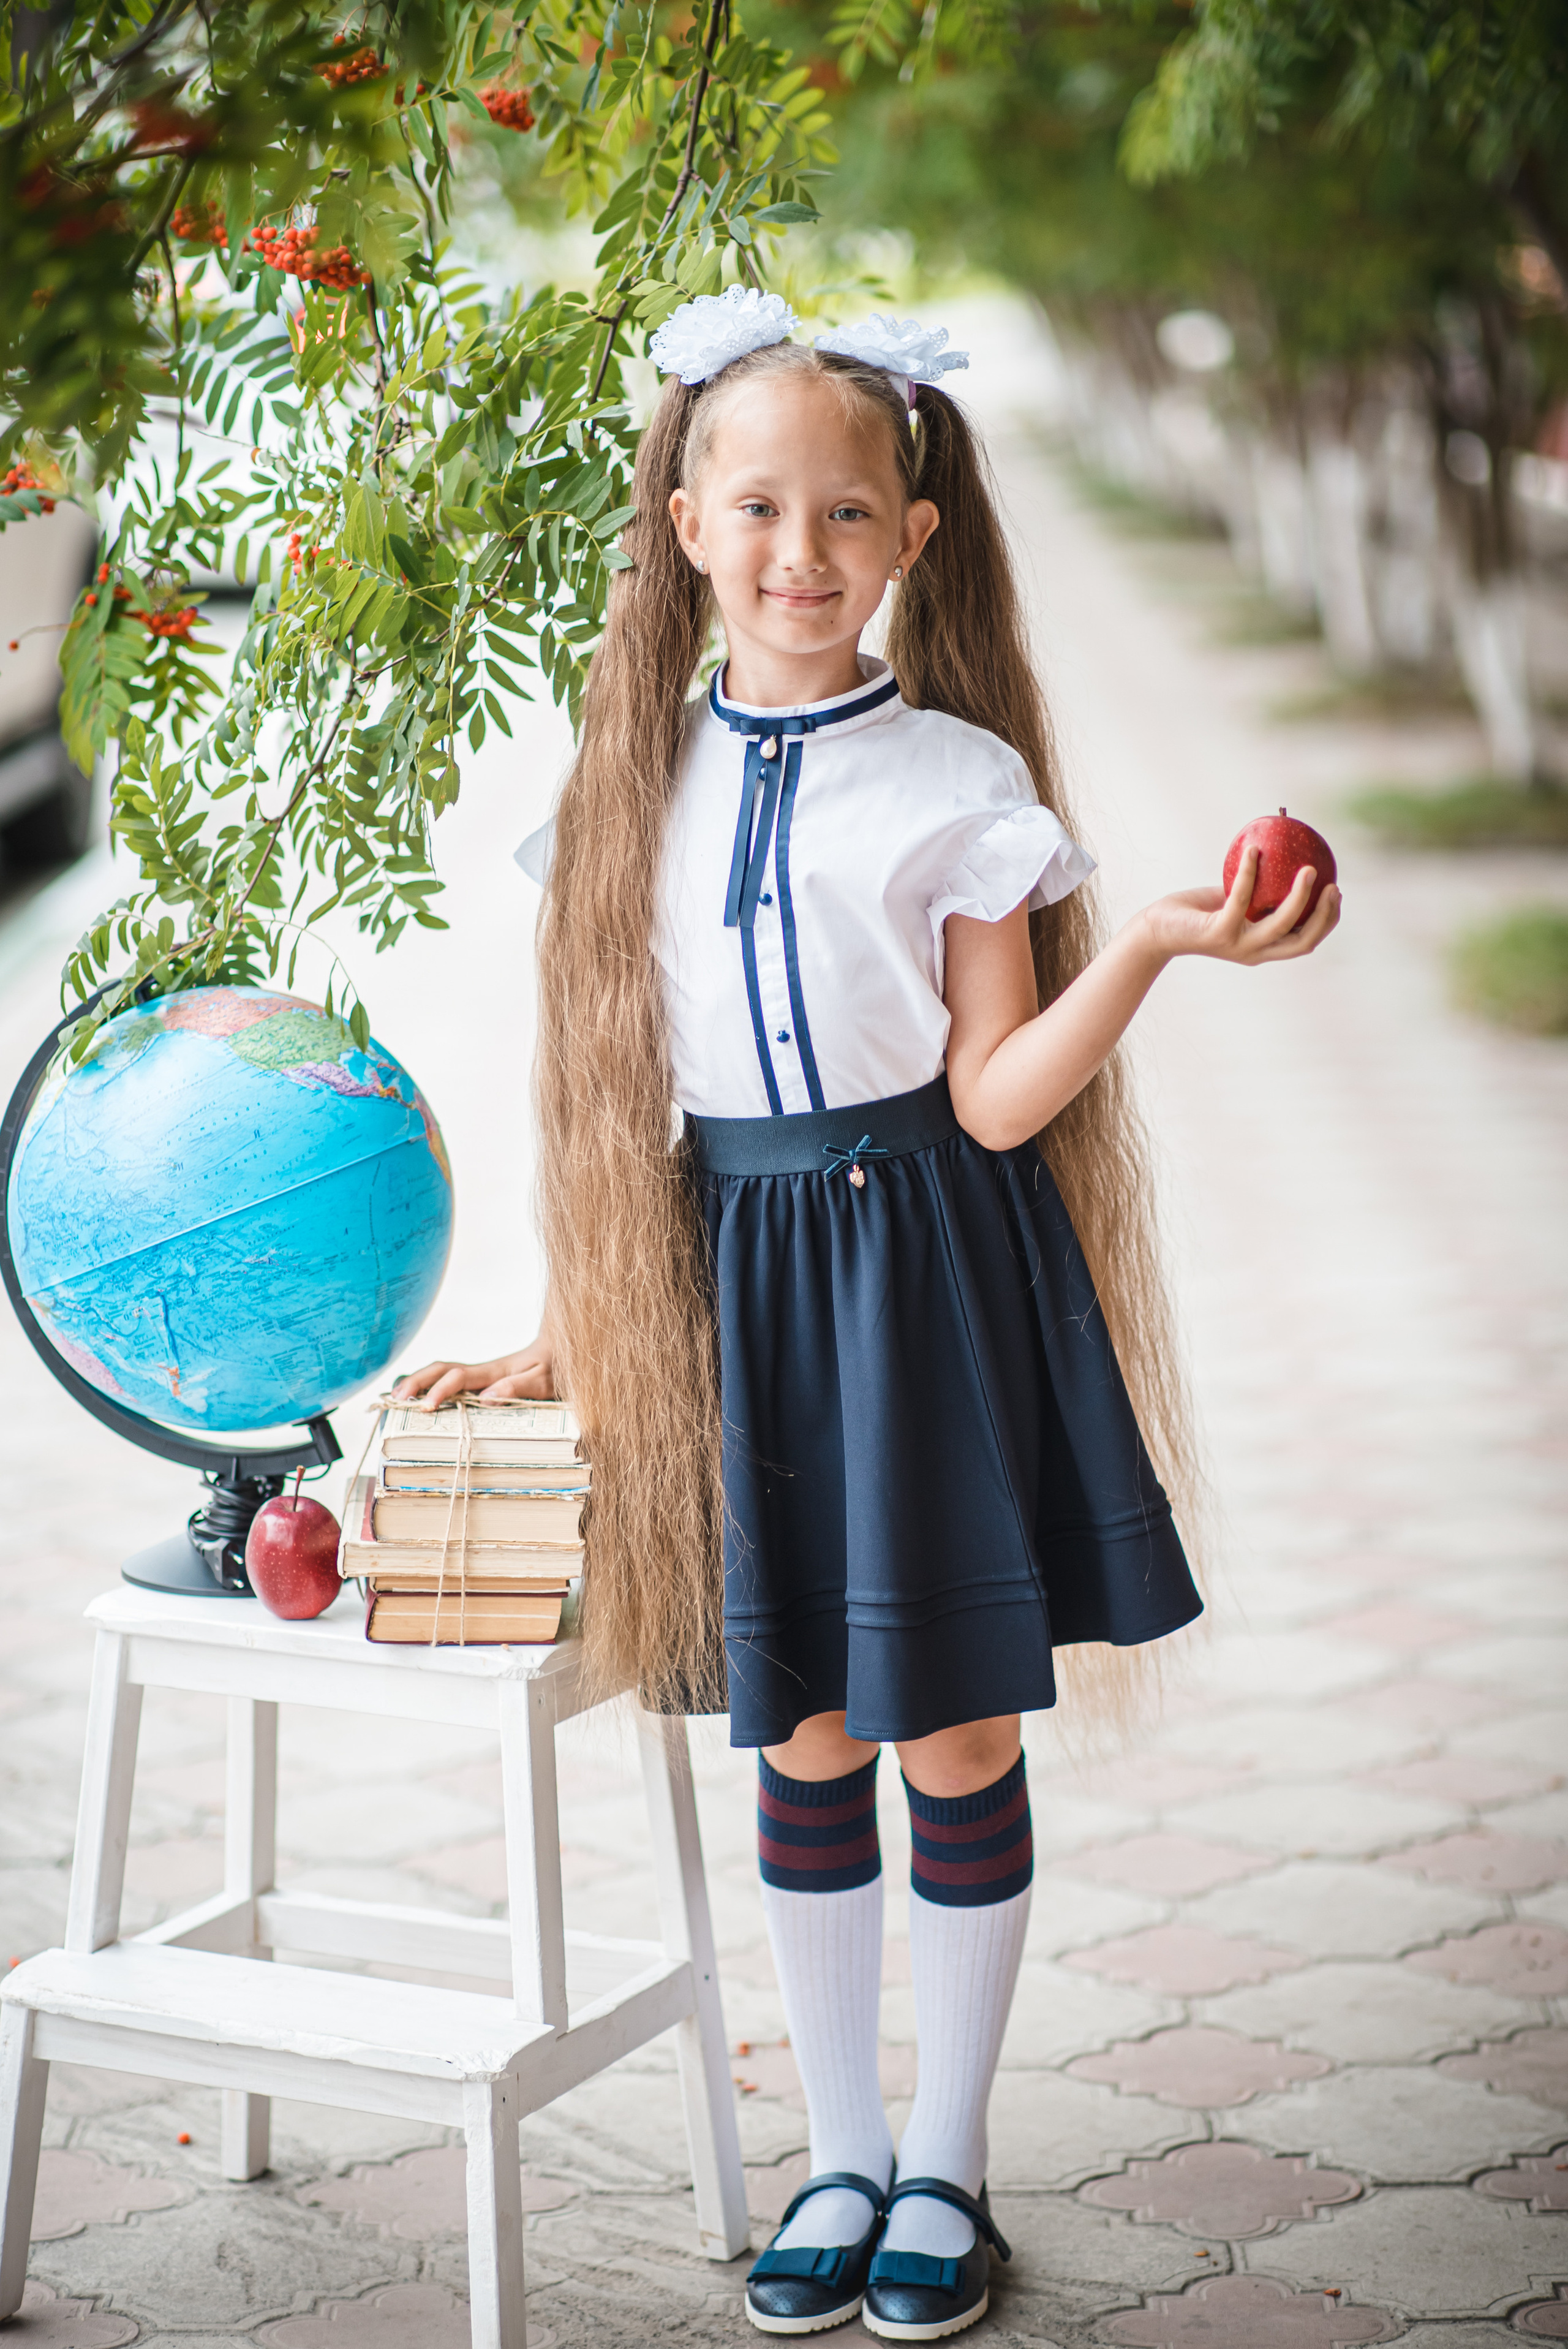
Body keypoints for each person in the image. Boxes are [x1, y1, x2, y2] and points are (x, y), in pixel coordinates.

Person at [398, 289, 1340, 2341]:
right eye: (755, 507)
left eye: (846, 510)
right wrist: (575, 1328)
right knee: (802, 1722)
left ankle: (952, 2163)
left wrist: (1161, 938)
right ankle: (836, 2151)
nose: (798, 550)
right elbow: (615, 1106)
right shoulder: (618, 790)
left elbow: (998, 1091)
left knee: (955, 1724)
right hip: (723, 1291)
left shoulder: (956, 778)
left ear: (914, 535)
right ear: (679, 524)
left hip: (922, 1272)